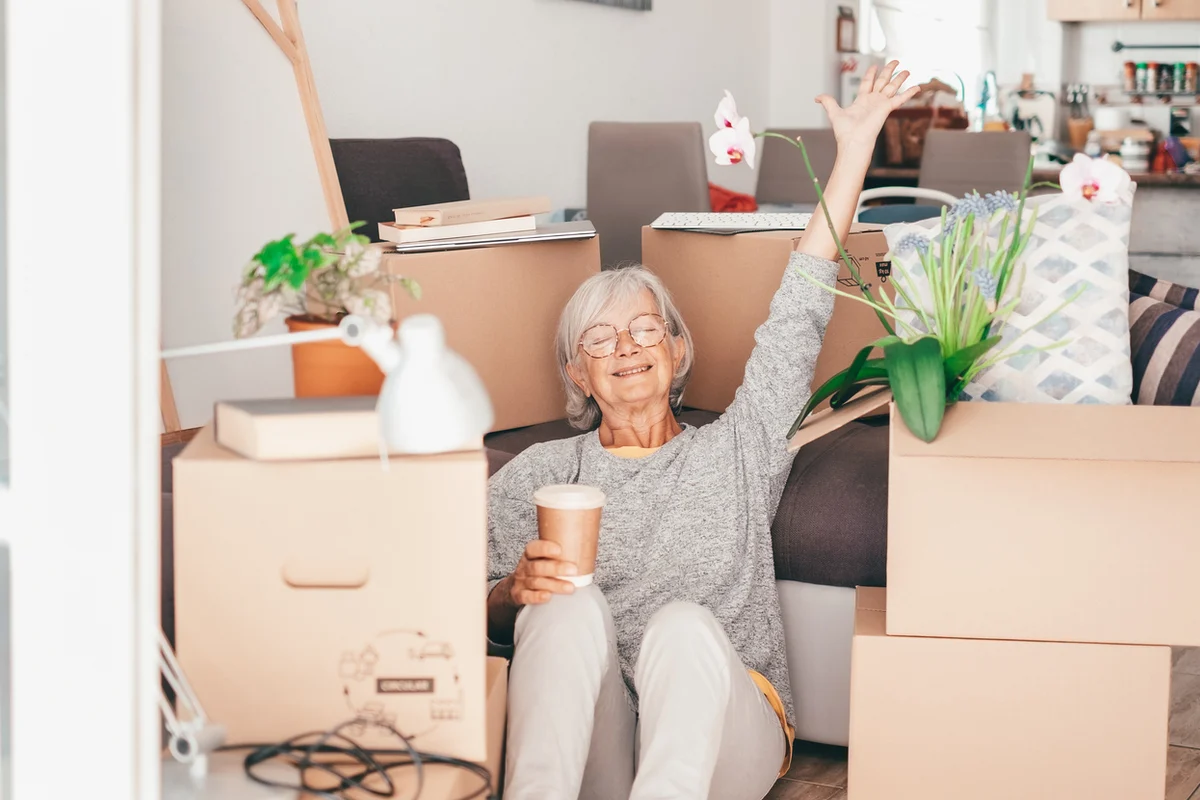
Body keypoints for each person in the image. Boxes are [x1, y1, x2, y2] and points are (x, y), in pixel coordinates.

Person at [486, 62, 919, 800]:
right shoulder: (536, 475)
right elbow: (457, 607)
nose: (624, 347)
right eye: (599, 339)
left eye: (644, 328)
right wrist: (513, 592)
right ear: (575, 375)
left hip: (727, 729)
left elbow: (802, 307)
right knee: (561, 607)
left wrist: (854, 151)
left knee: (683, 625)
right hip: (605, 739)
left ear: (678, 350)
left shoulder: (738, 448)